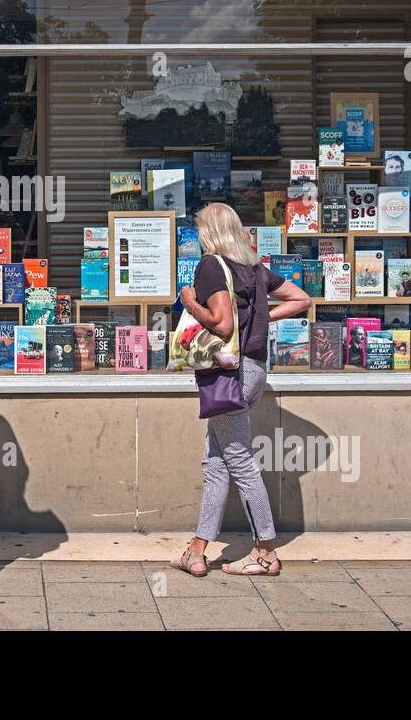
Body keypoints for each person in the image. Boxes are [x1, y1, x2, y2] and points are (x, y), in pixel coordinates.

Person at [172, 202, 310, 577]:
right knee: (216, 463)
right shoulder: (253, 268)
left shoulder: (211, 266)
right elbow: (301, 299)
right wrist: (260, 317)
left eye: (201, 229)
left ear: (210, 232)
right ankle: (197, 551)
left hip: (229, 375)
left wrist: (188, 302)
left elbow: (219, 322)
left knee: (242, 465)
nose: (199, 236)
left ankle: (265, 551)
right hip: (254, 371)